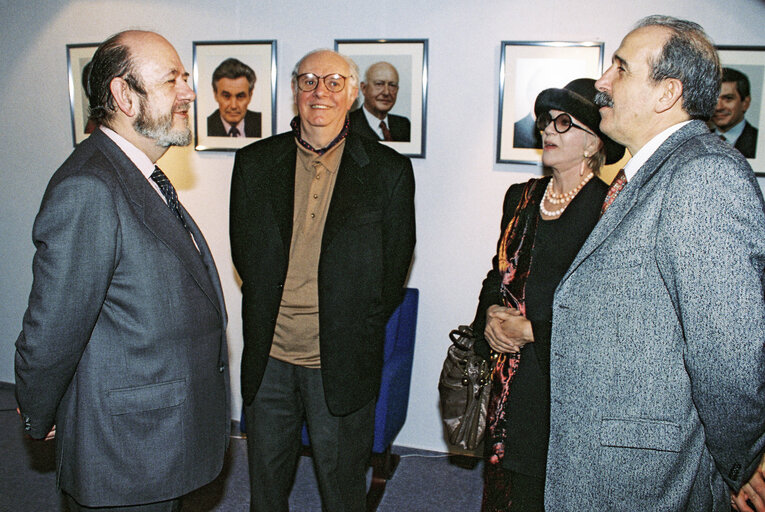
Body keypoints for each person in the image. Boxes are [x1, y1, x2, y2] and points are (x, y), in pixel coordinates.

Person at [544, 16, 765, 510]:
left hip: (649, 477)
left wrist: (743, 464)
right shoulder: (654, 171)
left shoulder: (704, 177)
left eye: (620, 69)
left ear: (667, 93)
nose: (602, 82)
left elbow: (729, 357)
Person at [14, 30, 229, 511]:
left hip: (159, 442)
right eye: (172, 79)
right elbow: (51, 331)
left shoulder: (135, 172)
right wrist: (41, 410)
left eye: (186, 79)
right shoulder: (89, 186)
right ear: (123, 95)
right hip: (125, 454)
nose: (189, 92)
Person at [229, 49, 415, 512]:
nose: (320, 92)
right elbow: (243, 253)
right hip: (268, 359)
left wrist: (357, 325)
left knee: (342, 492)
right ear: (294, 90)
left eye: (334, 82)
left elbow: (395, 271)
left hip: (341, 360)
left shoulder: (389, 172)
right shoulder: (253, 163)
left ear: (353, 94)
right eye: (308, 80)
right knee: (266, 492)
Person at [472, 78, 624, 512]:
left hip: (560, 379)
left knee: (542, 493)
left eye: (564, 124)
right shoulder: (520, 197)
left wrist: (532, 330)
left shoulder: (609, 210)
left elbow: (609, 312)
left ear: (594, 143)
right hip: (507, 377)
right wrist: (489, 317)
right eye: (546, 122)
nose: (549, 132)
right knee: (502, 490)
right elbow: (496, 273)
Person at [349, 61, 411, 142]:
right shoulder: (347, 125)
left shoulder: (404, 125)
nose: (386, 92)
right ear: (364, 88)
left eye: (392, 85)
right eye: (379, 84)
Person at [207, 57, 262, 137]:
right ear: (215, 95)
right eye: (226, 96)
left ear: (250, 96)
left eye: (240, 96)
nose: (233, 106)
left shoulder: (261, 123)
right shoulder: (206, 126)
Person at [711, 67, 758, 158]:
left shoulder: (757, 142)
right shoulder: (695, 140)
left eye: (728, 98)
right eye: (713, 99)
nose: (718, 107)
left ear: (745, 103)